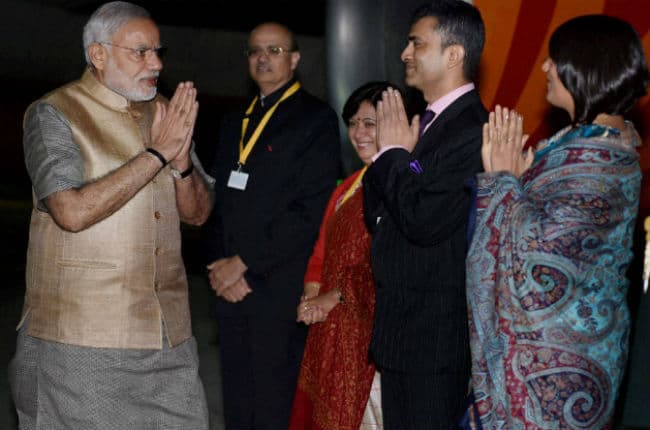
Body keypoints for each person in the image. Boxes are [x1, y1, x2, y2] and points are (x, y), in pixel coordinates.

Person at [8, 1, 214, 429]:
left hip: (170, 337)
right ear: (98, 55)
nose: (156, 63)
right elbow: (70, 212)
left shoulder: (164, 112)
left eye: (158, 51)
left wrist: (181, 165)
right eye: (140, 52)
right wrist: (157, 154)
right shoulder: (54, 112)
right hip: (81, 338)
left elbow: (198, 214)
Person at [467, 14, 648, 429]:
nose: (545, 67)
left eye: (555, 58)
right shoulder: (573, 144)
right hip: (547, 357)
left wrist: (503, 182)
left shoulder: (601, 161)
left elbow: (537, 257)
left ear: (587, 67)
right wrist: (516, 184)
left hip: (560, 375)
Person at [202, 22, 340, 430]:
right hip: (229, 286)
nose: (263, 58)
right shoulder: (235, 120)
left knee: (273, 404)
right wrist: (219, 267)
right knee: (237, 401)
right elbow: (217, 201)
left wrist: (243, 262)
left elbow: (308, 211)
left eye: (274, 50)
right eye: (255, 51)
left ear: (294, 59)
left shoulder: (315, 119)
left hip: (276, 287)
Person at [361, 1, 487, 428]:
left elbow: (422, 219)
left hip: (434, 340)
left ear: (453, 54)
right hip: (400, 330)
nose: (404, 54)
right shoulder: (425, 122)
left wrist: (395, 155)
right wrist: (396, 159)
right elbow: (377, 212)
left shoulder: (473, 130)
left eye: (416, 43)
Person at [289, 81, 399, 430]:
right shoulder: (349, 186)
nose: (358, 133)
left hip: (375, 337)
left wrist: (333, 297)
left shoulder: (407, 178)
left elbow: (387, 264)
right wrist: (311, 296)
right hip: (332, 330)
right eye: (353, 123)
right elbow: (321, 253)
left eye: (369, 123)